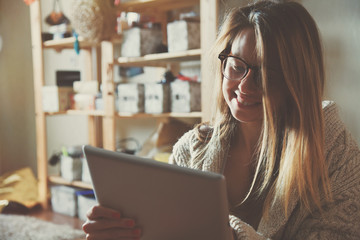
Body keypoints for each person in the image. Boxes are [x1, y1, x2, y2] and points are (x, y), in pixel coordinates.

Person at [82, 1, 360, 239]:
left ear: (298, 81)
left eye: (267, 74)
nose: (244, 86)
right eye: (237, 66)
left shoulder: (338, 157)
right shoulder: (190, 151)